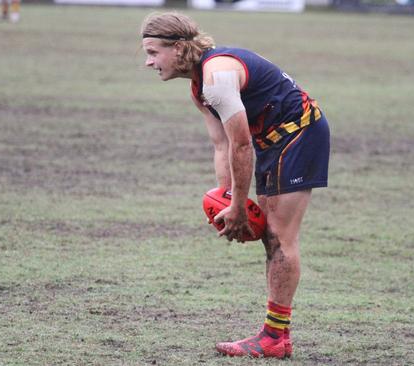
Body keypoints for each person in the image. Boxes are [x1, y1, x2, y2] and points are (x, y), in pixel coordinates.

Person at [141, 12, 330, 359]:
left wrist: (241, 206)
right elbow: (222, 146)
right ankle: (277, 336)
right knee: (274, 236)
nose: (148, 62)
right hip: (273, 140)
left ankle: (274, 338)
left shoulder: (216, 78)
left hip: (298, 134)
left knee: (279, 235)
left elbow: (242, 146)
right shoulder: (199, 90)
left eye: (153, 52)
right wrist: (228, 200)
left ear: (180, 48)